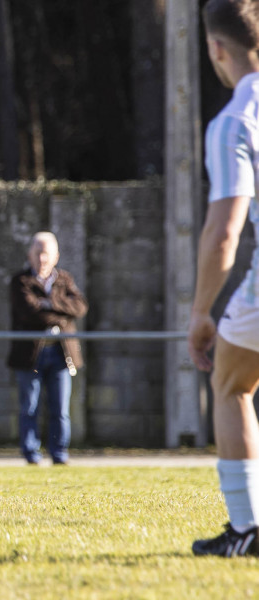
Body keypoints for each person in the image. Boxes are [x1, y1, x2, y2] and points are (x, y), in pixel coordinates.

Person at [190, 0, 259, 557]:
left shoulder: (236, 118)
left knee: (233, 385)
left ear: (216, 48)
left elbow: (223, 232)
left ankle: (247, 530)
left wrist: (200, 313)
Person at [6, 232, 88, 466]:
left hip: (61, 354)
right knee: (29, 406)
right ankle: (31, 454)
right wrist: (61, 312)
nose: (42, 258)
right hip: (30, 355)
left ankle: (59, 453)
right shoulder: (20, 281)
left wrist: (49, 304)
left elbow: (80, 307)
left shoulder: (64, 279)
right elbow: (29, 312)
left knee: (60, 408)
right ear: (30, 254)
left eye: (47, 253)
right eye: (38, 253)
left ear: (56, 256)